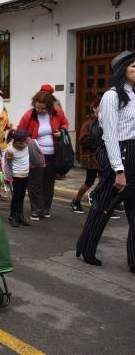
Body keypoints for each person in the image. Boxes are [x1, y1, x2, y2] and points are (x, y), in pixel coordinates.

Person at [76, 51, 135, 271]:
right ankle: (86, 247)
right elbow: (109, 134)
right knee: (104, 207)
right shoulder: (111, 96)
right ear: (122, 71)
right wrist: (119, 169)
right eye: (133, 67)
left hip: (134, 151)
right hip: (120, 152)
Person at [17, 90, 69, 220]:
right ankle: (36, 209)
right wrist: (25, 138)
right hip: (35, 154)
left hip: (52, 153)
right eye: (38, 108)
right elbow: (20, 131)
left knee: (49, 182)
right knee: (35, 183)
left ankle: (46, 208)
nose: (40, 111)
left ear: (50, 106)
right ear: (34, 104)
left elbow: (65, 125)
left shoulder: (57, 113)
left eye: (43, 109)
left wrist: (61, 132)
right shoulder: (29, 115)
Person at [71, 97, 101, 213]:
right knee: (90, 181)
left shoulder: (105, 121)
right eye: (101, 108)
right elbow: (82, 139)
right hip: (92, 157)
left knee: (106, 180)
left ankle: (102, 202)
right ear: (94, 109)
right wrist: (97, 140)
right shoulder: (89, 122)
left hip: (104, 156)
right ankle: (76, 200)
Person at [3, 130, 36, 227]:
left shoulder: (26, 145)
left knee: (21, 197)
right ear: (18, 142)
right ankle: (12, 217)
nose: (27, 143)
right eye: (25, 142)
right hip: (16, 177)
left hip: (26, 175)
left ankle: (20, 216)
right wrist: (8, 178)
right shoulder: (10, 150)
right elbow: (7, 164)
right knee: (16, 197)